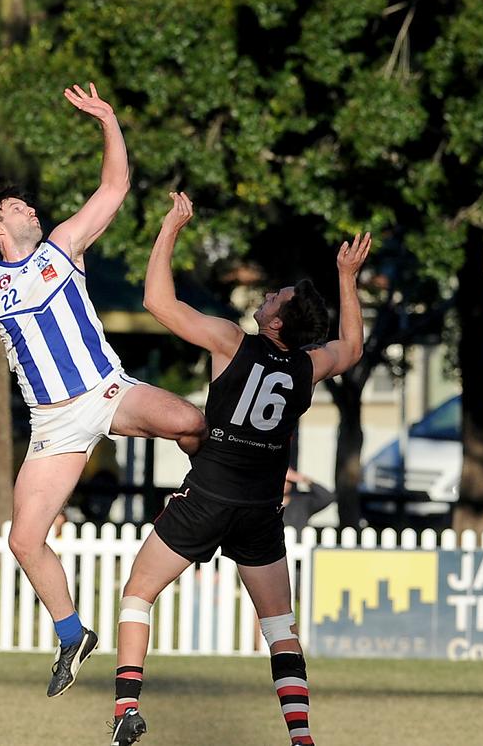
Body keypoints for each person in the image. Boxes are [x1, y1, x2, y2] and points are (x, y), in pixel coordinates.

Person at [0, 84, 207, 698]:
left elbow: (116, 187)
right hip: (52, 426)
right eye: (21, 206)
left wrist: (107, 120)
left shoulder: (61, 250)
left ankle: (217, 500)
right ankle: (71, 632)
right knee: (23, 538)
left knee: (193, 424)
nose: (33, 211)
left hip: (105, 391)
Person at [109, 192, 370, 746]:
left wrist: (169, 230)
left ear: (277, 320)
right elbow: (351, 348)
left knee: (138, 592)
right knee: (279, 627)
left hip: (207, 495)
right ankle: (301, 738)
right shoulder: (306, 365)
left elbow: (158, 300)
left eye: (277, 296)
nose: (269, 294)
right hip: (259, 510)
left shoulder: (232, 342)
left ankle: (125, 706)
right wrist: (347, 277)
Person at [283, 468, 335, 533]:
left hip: (300, 542)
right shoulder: (268, 503)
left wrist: (303, 479)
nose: (284, 483)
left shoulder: (301, 501)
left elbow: (328, 497)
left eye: (288, 481)